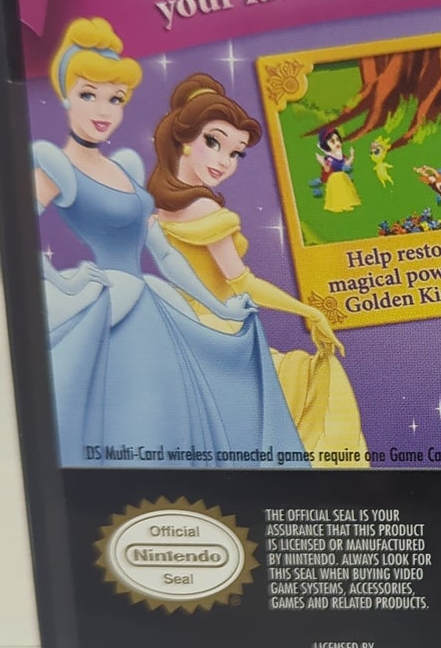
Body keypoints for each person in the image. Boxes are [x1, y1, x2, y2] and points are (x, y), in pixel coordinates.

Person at [32, 19, 270, 467]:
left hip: (150, 298)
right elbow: (16, 236)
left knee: (175, 420)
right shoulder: (56, 165)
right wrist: (64, 284)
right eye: (89, 94)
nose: (104, 110)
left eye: (116, 98)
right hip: (108, 305)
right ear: (65, 94)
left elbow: (162, 254)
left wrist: (218, 308)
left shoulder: (124, 164)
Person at [147, 75, 367, 462]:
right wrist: (309, 311)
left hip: (182, 331)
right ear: (184, 138)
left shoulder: (159, 210)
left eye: (236, 153)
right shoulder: (206, 211)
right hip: (222, 335)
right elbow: (243, 282)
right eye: (213, 142)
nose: (224, 162)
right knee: (315, 384)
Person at [318, 128, 361, 212]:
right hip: (334, 179)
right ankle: (338, 206)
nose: (336, 143)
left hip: (343, 176)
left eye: (337, 140)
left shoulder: (341, 156)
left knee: (345, 191)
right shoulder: (330, 158)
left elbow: (346, 164)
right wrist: (322, 162)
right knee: (338, 192)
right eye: (332, 141)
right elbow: (327, 169)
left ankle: (347, 204)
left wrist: (352, 156)